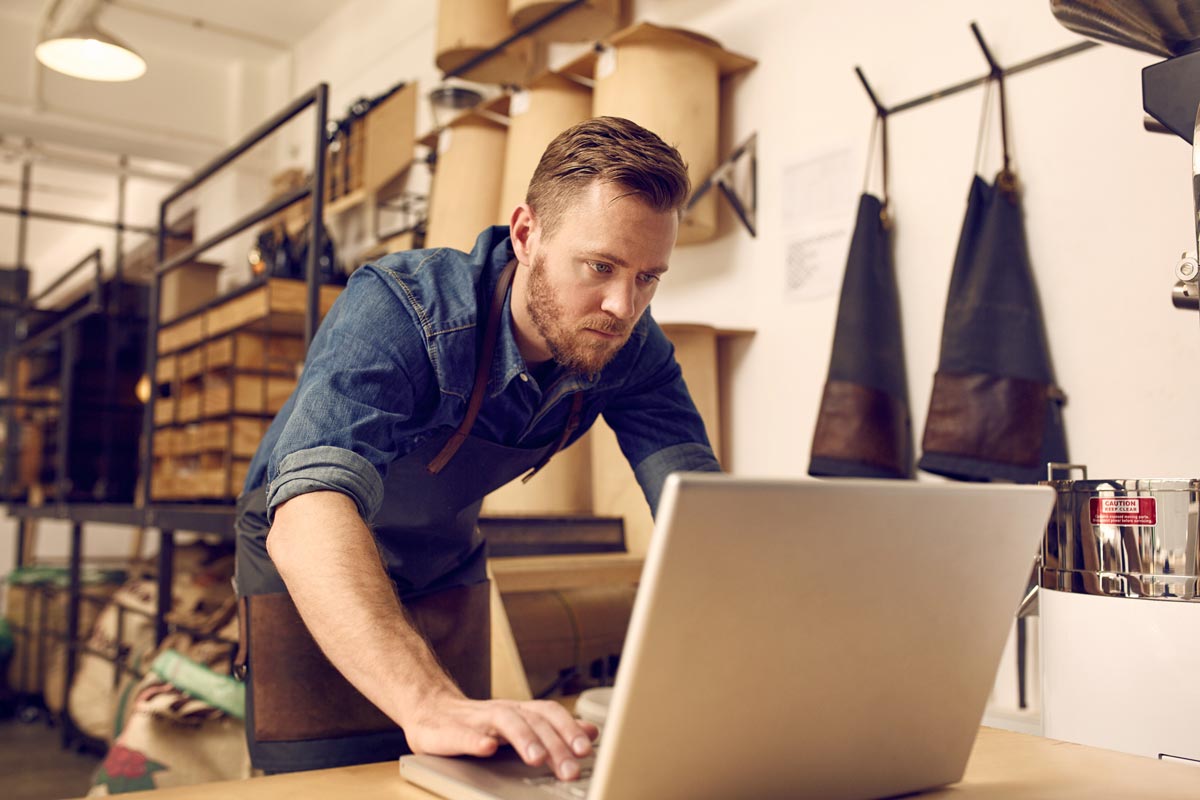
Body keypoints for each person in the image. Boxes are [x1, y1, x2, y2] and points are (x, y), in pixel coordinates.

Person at [233, 115, 721, 779]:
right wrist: (428, 700)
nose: (621, 306)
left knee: (461, 774)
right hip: (311, 567)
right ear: (526, 234)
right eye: (600, 266)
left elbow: (700, 515)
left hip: (441, 567)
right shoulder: (401, 309)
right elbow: (308, 513)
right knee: (328, 783)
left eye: (648, 278)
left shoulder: (630, 348)